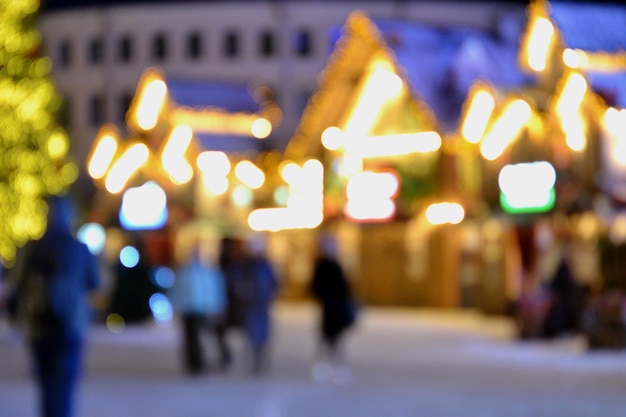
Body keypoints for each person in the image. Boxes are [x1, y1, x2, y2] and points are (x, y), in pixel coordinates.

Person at [6, 195, 100, 417]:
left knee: (47, 382)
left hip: (38, 323)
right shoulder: (79, 248)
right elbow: (94, 283)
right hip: (71, 324)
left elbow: (16, 284)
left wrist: (16, 317)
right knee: (64, 383)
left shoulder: (31, 248)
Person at [219, 236, 278, 375]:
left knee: (263, 335)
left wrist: (269, 295)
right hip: (248, 306)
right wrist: (242, 291)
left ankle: (259, 359)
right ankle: (251, 360)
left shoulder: (265, 265)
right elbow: (233, 280)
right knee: (250, 334)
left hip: (261, 305)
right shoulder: (242, 265)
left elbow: (273, 282)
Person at [168, 240, 229, 375]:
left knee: (201, 337)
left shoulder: (208, 272)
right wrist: (175, 305)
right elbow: (176, 290)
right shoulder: (185, 272)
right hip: (188, 309)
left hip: (203, 309)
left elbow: (216, 290)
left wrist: (217, 306)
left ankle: (200, 361)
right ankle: (193, 362)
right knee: (190, 337)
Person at [309, 233, 358, 384]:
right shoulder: (322, 265)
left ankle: (338, 368)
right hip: (328, 310)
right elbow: (315, 288)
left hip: (339, 310)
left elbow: (346, 289)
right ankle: (323, 368)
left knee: (338, 341)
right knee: (326, 339)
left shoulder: (337, 264)